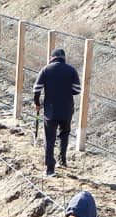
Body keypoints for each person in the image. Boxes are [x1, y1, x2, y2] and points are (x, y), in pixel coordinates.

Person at [32, 47, 81, 177]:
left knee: (50, 138)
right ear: (64, 58)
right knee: (64, 134)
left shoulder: (46, 70)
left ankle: (50, 169)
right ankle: (62, 160)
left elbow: (36, 89)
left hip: (50, 110)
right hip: (66, 110)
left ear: (51, 58)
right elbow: (77, 90)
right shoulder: (71, 70)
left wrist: (37, 103)